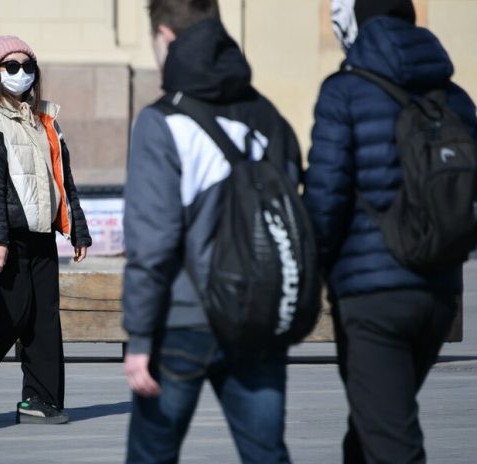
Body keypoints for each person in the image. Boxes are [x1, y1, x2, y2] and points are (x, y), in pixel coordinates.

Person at [122, 0, 302, 462]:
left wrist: (138, 338)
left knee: (151, 456)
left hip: (183, 321)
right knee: (266, 454)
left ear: (165, 35)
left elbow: (152, 242)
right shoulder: (268, 116)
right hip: (257, 316)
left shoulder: (161, 122)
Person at [304, 1, 477, 462]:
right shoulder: (456, 98)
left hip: (373, 298)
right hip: (440, 293)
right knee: (371, 428)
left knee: (390, 441)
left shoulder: (345, 91)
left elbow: (324, 199)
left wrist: (309, 279)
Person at [0, 35, 92, 425]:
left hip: (42, 233)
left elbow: (63, 179)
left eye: (27, 66)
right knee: (12, 315)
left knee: (44, 318)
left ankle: (40, 400)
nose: (20, 73)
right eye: (11, 66)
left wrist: (78, 229)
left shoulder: (46, 120)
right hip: (8, 236)